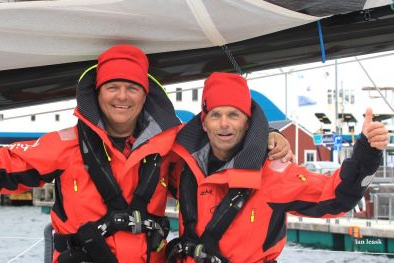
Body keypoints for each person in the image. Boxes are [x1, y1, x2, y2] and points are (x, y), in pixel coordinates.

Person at [0, 45, 291, 263]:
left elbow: (219, 157)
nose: (122, 97)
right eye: (113, 87)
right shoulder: (66, 143)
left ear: (145, 94)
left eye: (132, 87)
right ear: (97, 93)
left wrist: (267, 139)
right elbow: (4, 172)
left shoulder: (172, 146)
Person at [166, 72, 389, 263]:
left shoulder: (274, 174)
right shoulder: (182, 168)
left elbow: (336, 197)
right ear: (204, 123)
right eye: (215, 115)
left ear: (247, 122)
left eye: (233, 115)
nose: (224, 123)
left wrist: (367, 152)